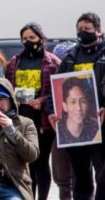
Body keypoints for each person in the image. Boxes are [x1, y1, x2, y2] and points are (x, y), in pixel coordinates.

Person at [46, 12, 105, 200]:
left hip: (101, 124)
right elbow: (54, 88)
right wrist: (51, 111)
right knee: (80, 175)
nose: (82, 33)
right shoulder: (71, 57)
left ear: (98, 30)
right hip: (76, 128)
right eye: (79, 29)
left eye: (86, 29)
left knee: (103, 173)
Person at [5, 22, 60, 200]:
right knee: (25, 162)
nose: (28, 41)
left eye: (32, 38)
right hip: (21, 118)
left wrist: (42, 101)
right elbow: (8, 87)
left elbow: (58, 90)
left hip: (42, 119)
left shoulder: (53, 62)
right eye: (24, 38)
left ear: (41, 38)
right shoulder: (14, 62)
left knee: (41, 162)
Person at [51, 42, 75, 200]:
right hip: (59, 130)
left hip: (83, 130)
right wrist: (49, 111)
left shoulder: (82, 80)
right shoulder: (53, 79)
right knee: (62, 176)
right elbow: (48, 98)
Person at [58, 77, 99, 145]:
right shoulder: (58, 132)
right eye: (73, 102)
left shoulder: (95, 130)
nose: (79, 107)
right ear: (65, 106)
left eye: (83, 101)